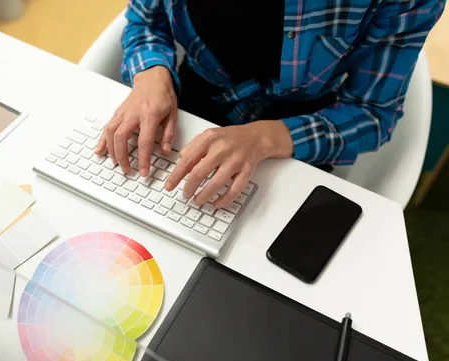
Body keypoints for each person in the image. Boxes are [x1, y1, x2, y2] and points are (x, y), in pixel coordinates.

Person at [96, 0, 445, 208]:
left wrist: (262, 139)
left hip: (297, 134)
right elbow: (146, 18)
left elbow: (372, 113)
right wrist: (151, 77)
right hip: (191, 101)